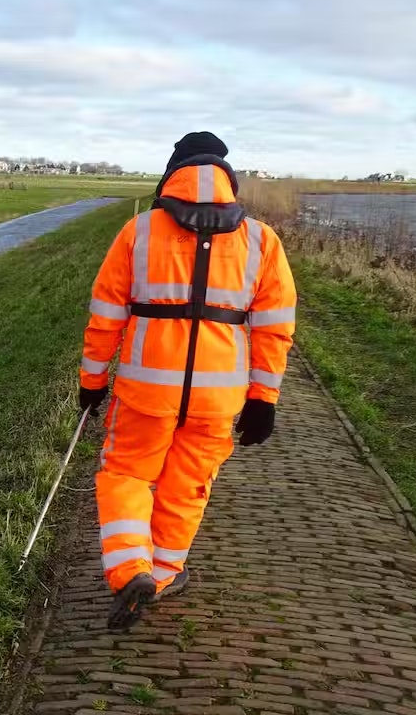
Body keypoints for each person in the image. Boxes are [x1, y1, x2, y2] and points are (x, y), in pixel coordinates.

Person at [78, 132, 297, 629]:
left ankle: (130, 571)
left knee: (126, 475)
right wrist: (264, 398)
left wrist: (92, 381)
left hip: (145, 391)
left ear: (170, 176)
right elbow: (274, 328)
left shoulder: (139, 231)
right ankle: (160, 576)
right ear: (229, 182)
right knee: (187, 487)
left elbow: (105, 316)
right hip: (217, 399)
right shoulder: (262, 240)